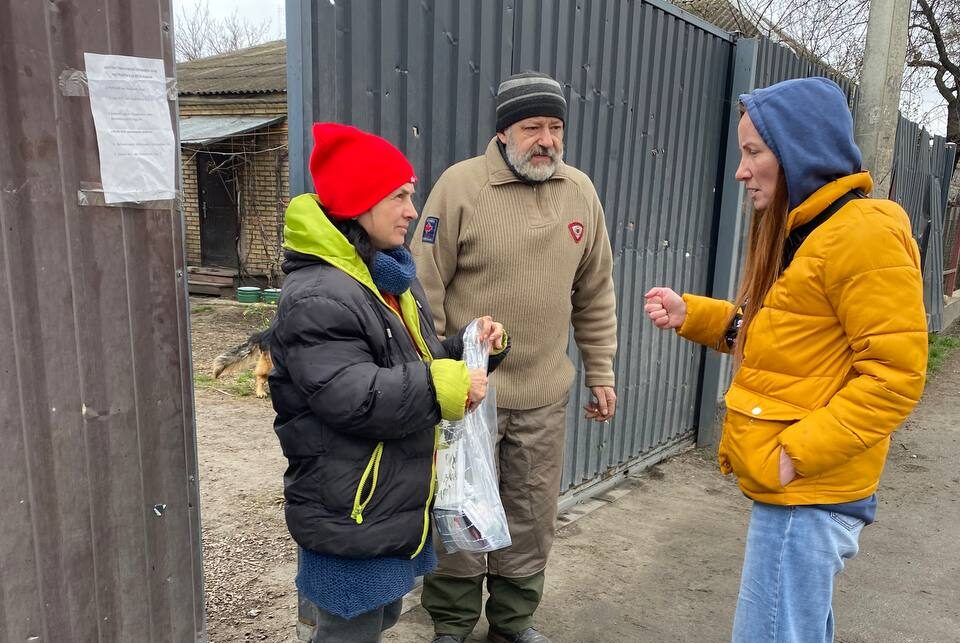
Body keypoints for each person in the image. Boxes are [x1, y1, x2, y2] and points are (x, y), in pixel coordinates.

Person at [644, 77, 927, 643]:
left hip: (810, 495)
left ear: (799, 151)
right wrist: (692, 315)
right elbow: (785, 338)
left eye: (753, 152)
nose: (741, 170)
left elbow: (895, 376)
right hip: (801, 495)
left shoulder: (859, 236)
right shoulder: (813, 233)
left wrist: (797, 453)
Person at [269, 122, 510, 643]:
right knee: (347, 631)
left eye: (411, 194)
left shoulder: (385, 280)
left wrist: (472, 348)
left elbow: (415, 359)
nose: (411, 210)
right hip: (350, 506)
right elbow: (352, 395)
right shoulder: (320, 295)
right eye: (399, 196)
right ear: (359, 202)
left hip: (382, 502)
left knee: (376, 620)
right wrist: (445, 386)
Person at [411, 71, 619, 643]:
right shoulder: (459, 188)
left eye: (556, 127)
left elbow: (595, 291)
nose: (546, 140)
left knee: (530, 516)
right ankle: (451, 624)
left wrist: (599, 369)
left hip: (543, 393)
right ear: (504, 132)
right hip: (468, 398)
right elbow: (422, 291)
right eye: (533, 127)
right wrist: (435, 379)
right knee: (458, 508)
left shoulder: (580, 193)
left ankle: (513, 623)